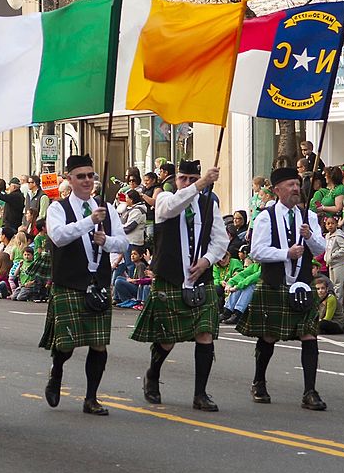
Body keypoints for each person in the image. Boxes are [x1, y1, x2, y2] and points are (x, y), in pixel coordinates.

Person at [131, 161, 228, 411]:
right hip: (171, 277)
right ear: (176, 180)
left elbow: (220, 240)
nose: (186, 182)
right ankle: (153, 375)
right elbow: (174, 207)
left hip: (200, 278)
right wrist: (201, 183)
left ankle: (200, 394)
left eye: (191, 178)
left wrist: (207, 261)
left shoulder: (209, 205)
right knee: (167, 339)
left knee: (205, 335)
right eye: (183, 178)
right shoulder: (164, 199)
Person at [40, 154, 128, 416]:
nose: (87, 181)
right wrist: (89, 221)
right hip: (69, 283)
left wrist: (106, 241)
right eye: (81, 176)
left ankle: (91, 398)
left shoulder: (108, 209)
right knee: (66, 343)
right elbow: (58, 237)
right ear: (69, 179)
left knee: (99, 343)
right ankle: (56, 372)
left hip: (98, 284)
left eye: (90, 175)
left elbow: (123, 243)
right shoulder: (58, 208)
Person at [238, 166, 328, 410]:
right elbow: (256, 251)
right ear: (277, 190)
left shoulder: (308, 216)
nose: (296, 188)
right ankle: (259, 381)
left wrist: (309, 237)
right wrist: (285, 253)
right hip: (276, 284)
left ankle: (310, 391)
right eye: (290, 185)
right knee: (268, 336)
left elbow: (321, 250)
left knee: (309, 335)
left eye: (297, 184)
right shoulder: (266, 216)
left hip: (301, 285)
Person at [321, 214, 344, 302]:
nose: (330, 225)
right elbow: (327, 249)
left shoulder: (339, 236)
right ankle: (333, 303)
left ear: (336, 224)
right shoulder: (327, 236)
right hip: (331, 263)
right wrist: (327, 257)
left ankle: (338, 304)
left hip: (339, 263)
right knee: (332, 284)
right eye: (328, 223)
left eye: (332, 223)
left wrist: (334, 255)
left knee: (338, 284)